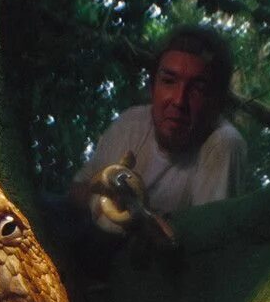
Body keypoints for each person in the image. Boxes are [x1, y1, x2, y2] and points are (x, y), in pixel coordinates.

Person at [70, 24, 246, 219]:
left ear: (216, 102)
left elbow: (206, 235)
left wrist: (138, 218)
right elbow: (77, 189)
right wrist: (103, 202)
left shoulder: (222, 143)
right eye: (169, 81)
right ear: (153, 88)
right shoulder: (131, 123)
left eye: (197, 89)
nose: (179, 101)